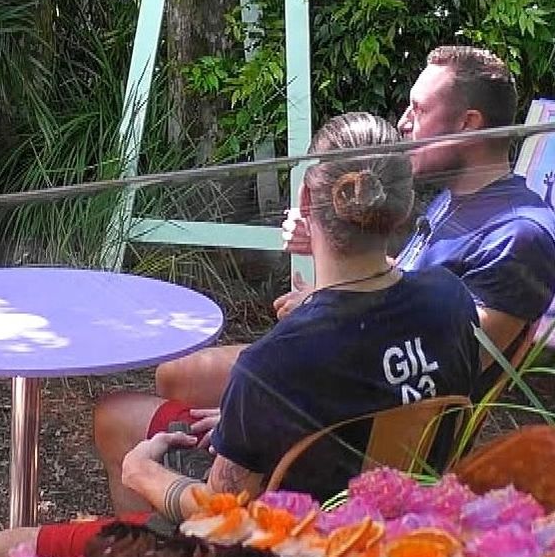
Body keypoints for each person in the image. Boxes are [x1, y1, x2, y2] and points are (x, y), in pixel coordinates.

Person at [0, 112, 479, 557]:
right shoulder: (449, 297)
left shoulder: (277, 361)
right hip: (396, 522)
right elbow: (375, 379)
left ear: (307, 202)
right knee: (117, 414)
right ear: (401, 205)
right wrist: (258, 417)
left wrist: (143, 472)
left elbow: (222, 510)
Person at [149, 46, 555, 422]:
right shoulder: (456, 199)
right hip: (353, 365)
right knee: (174, 378)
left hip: (376, 415)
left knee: (174, 384)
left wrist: (329, 305)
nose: (403, 122)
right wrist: (329, 242)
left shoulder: (518, 233)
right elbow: (404, 286)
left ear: (468, 124)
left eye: (418, 109)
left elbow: (446, 360)